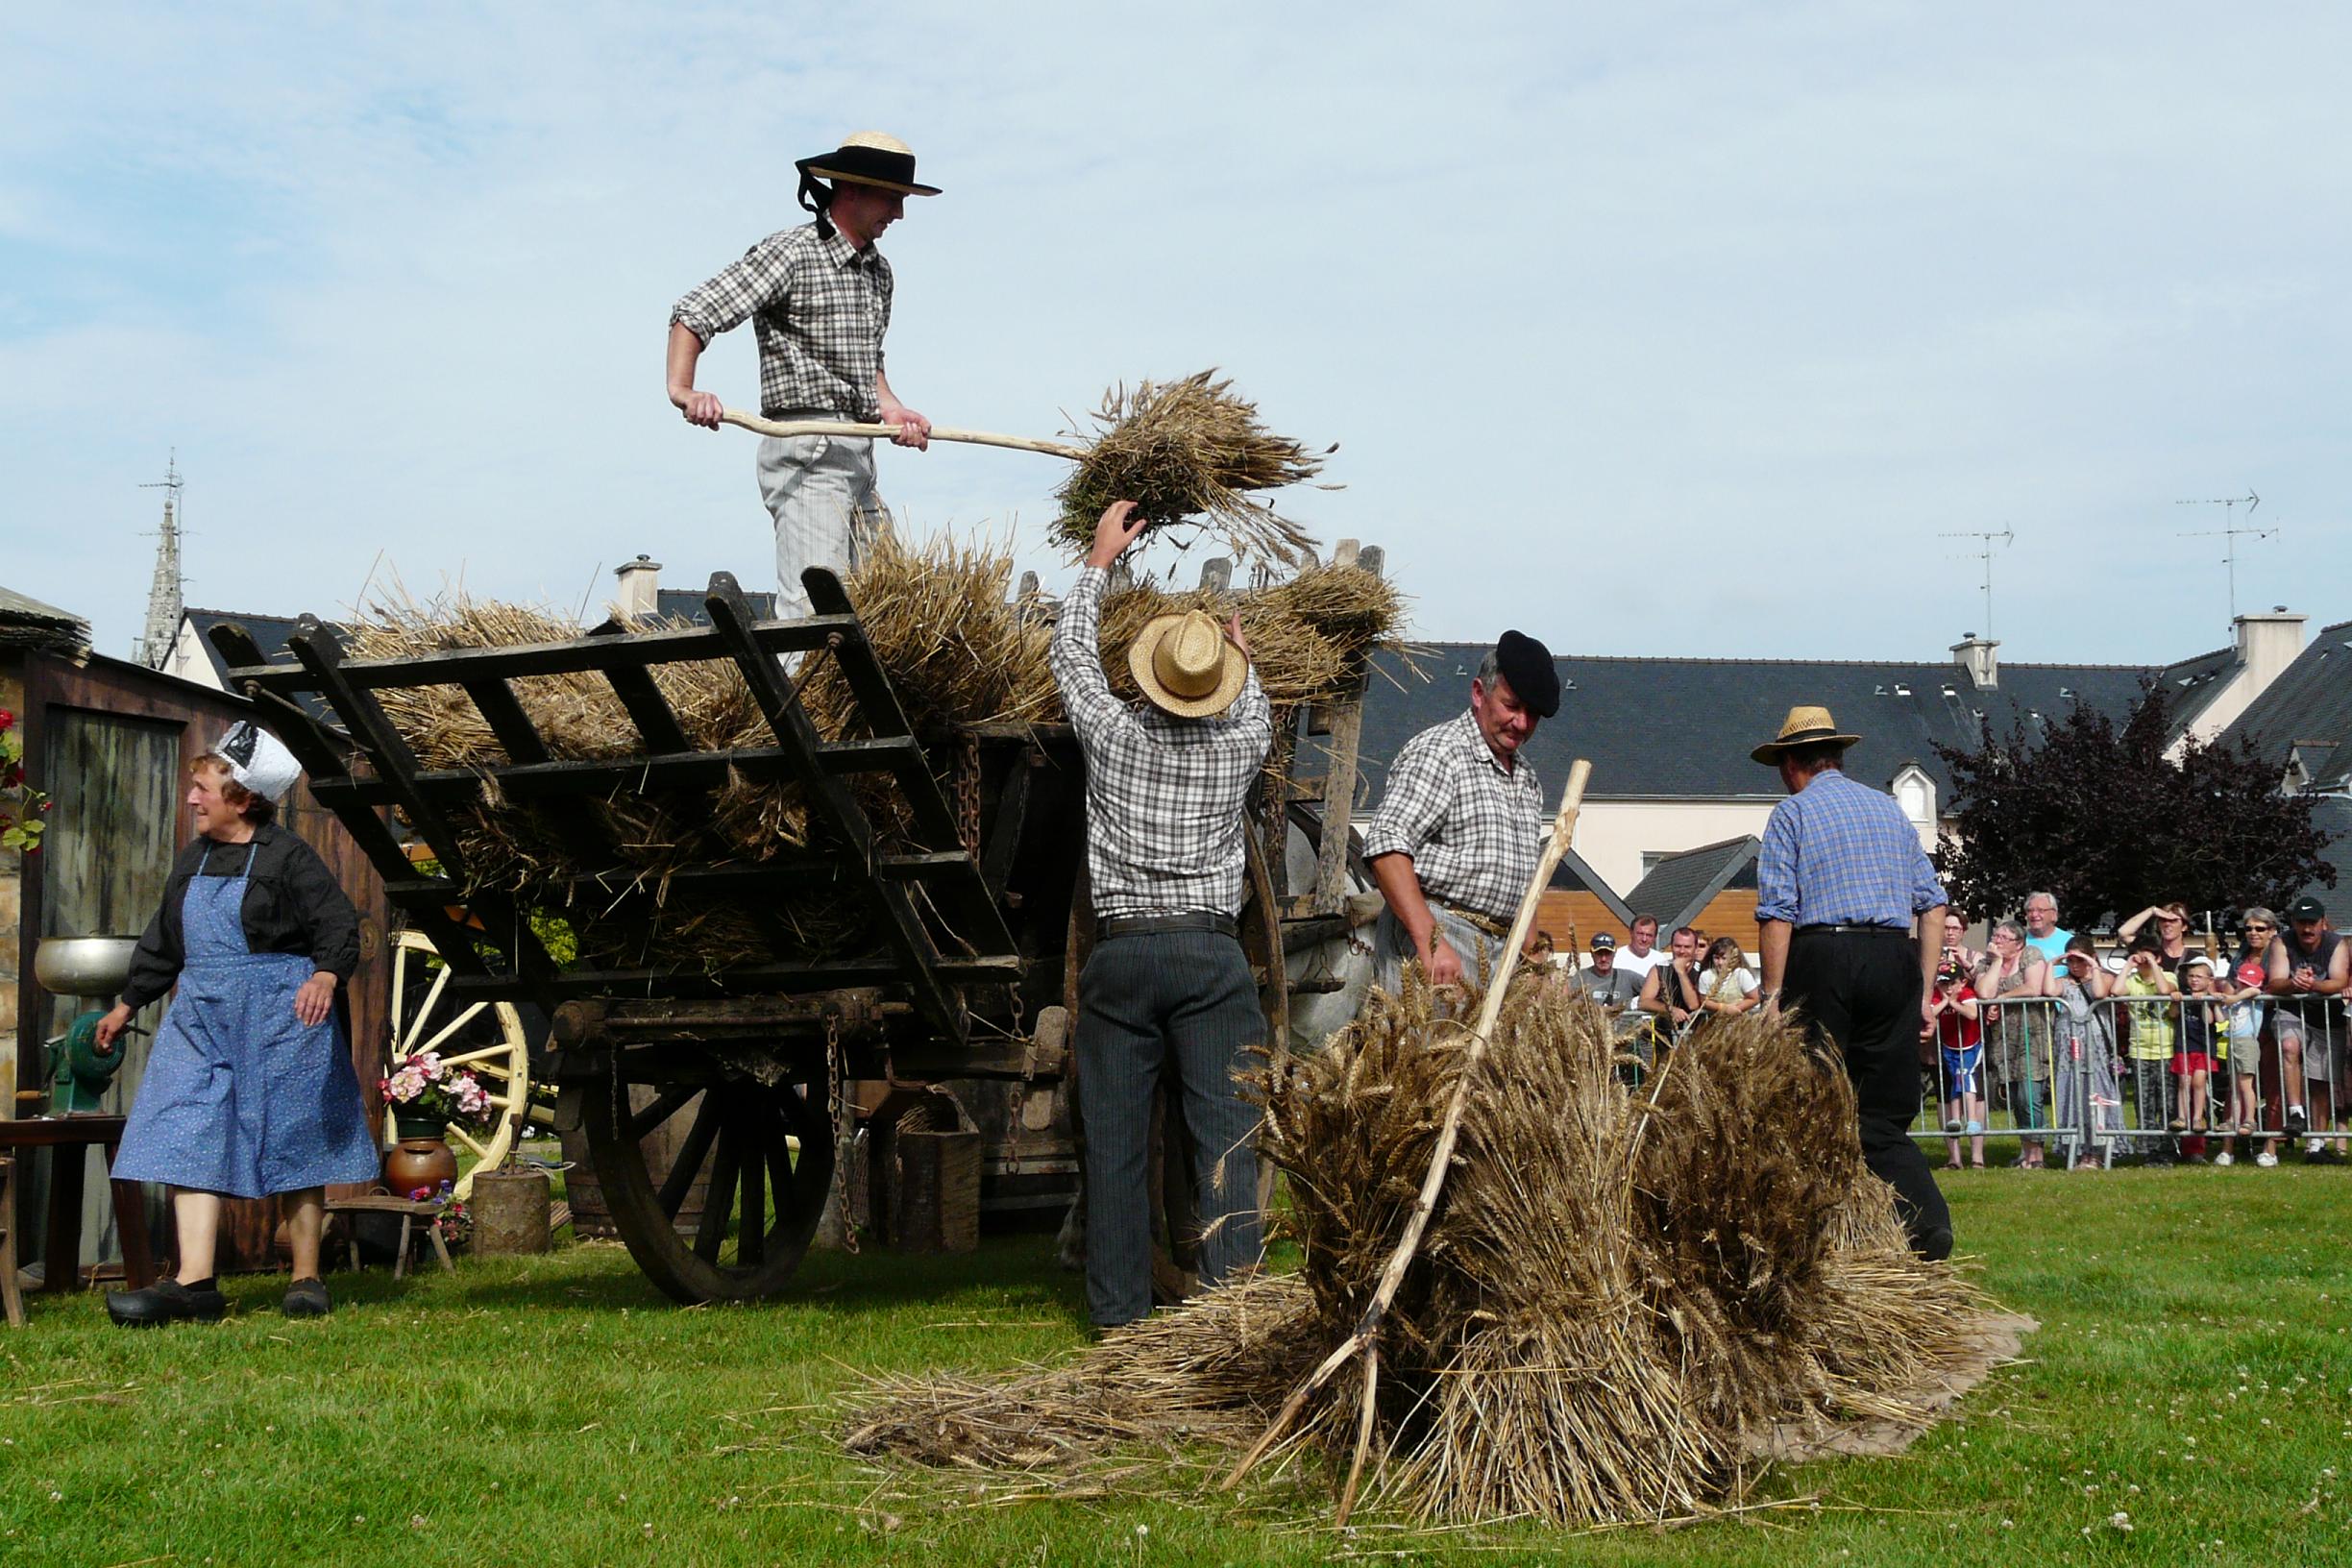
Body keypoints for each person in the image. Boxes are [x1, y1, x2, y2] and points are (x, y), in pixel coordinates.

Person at [1050, 500, 1274, 1330]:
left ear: (1145, 680)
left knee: (1112, 1148)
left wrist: (1099, 564)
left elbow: (1070, 657)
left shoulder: (1111, 735)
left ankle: (1117, 1323)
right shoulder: (1239, 745)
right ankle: (1231, 1320)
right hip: (1208, 959)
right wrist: (1246, 657)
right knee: (1226, 1136)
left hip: (1123, 955)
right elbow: (1257, 711)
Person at [96, 723, 381, 1325]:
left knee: (291, 1133)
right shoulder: (194, 858)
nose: (192, 799)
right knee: (184, 1125)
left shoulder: (287, 857)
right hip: (201, 1013)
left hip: (281, 1013)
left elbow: (337, 924)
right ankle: (194, 1284)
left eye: (202, 788)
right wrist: (127, 1003)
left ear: (244, 798)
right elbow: (165, 938)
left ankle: (306, 1277)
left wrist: (325, 976)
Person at [667, 132, 940, 621]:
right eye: (893, 199)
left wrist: (891, 407)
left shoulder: (879, 273)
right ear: (851, 190)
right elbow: (696, 311)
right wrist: (683, 390)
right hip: (807, 446)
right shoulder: (790, 254)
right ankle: (800, 696)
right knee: (815, 608)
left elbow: (867, 359)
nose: (899, 214)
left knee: (886, 603)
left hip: (859, 450)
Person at [1751, 705, 1953, 1260]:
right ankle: (1924, 1222)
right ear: (1837, 756)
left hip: (1824, 953)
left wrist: (1771, 997)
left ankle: (1822, 1240)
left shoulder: (1791, 814)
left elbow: (1777, 912)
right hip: (1893, 958)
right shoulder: (1890, 811)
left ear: (1793, 764)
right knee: (1883, 1115)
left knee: (1815, 1099)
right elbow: (1933, 905)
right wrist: (1924, 989)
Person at [1363, 631, 1559, 992]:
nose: (1521, 723)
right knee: (1426, 1049)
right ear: (1478, 693)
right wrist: (1431, 941)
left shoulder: (1528, 779)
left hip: (1503, 953)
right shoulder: (1441, 753)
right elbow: (1386, 846)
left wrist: (1535, 963)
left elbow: (1525, 886)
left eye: (1533, 714)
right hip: (1441, 932)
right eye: (1512, 706)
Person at [2266, 895, 2347, 1164]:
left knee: (2321, 1081)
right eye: (2302, 923)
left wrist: (2312, 985)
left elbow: (2338, 981)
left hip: (2327, 1017)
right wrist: (2293, 983)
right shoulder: (2281, 942)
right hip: (2291, 1010)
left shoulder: (2337, 944)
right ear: (2293, 923)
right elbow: (2274, 984)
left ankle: (2316, 1146)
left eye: (2312, 923)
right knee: (2289, 1046)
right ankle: (2296, 1112)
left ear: (2323, 923)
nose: (2307, 929)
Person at [1975, 919, 2053, 1168]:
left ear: (2018, 943)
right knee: (2016, 1097)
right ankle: (2025, 1151)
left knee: (2030, 1096)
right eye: (1996, 936)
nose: (1996, 941)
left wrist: (2001, 998)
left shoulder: (2031, 954)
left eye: (2003, 938)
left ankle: (2037, 1155)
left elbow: (2033, 987)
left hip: (2032, 1034)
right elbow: (1984, 993)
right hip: (2003, 1039)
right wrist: (1997, 962)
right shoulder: (1987, 962)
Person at [2046, 933, 2120, 1171]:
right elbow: (2049, 991)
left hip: (2096, 1049)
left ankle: (2097, 1151)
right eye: (2071, 961)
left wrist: (2095, 968)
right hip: (2069, 1049)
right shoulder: (2065, 982)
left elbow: (2099, 993)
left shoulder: (2104, 977)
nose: (2075, 966)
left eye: (2080, 961)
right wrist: (2051, 965)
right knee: (2073, 1095)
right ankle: (2077, 1149)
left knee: (2096, 1096)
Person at [2217, 908, 2278, 1165]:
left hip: (2271, 1024)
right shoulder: (2241, 954)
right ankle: (2228, 1147)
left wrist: (2240, 994)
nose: (2253, 933)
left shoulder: (2278, 953)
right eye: (2249, 928)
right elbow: (2231, 982)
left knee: (2273, 1086)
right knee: (2237, 1085)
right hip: (2241, 1029)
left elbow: (2273, 985)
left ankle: (2270, 1147)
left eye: (2260, 928)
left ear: (2272, 931)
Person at [2118, 932, 2180, 1165]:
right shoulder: (2132, 982)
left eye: (2149, 955)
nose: (2142, 960)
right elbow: (2115, 991)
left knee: (2166, 1103)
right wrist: (2128, 966)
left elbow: (2165, 990)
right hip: (2140, 1051)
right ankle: (2146, 1150)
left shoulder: (2167, 975)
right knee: (2144, 1103)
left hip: (2165, 1051)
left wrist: (2153, 963)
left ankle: (2167, 1150)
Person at [1926, 951, 1985, 1170]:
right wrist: (1945, 1001)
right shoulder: (1938, 996)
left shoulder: (1967, 993)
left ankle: (1972, 1120)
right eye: (1943, 984)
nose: (1948, 988)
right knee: (1955, 1082)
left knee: (1967, 1079)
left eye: (1952, 984)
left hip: (1970, 1046)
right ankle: (1955, 1119)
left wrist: (1955, 1003)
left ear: (1962, 982)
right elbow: (1931, 1013)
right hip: (1950, 1047)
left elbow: (1971, 1014)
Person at [2169, 955, 2219, 1161]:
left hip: (2203, 1047)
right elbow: (2172, 1014)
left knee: (2199, 1082)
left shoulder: (2209, 998)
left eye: (2199, 976)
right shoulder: (2183, 996)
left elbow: (2210, 1021)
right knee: (2184, 1081)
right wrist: (2175, 999)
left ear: (2209, 980)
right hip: (2184, 1045)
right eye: (2191, 976)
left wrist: (2206, 1002)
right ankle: (2182, 1117)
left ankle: (2198, 1118)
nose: (2194, 980)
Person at [1566, 931, 1644, 1018]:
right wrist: (1608, 1010)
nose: (1603, 959)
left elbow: (1654, 993)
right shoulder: (1581, 977)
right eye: (1599, 954)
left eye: (1608, 953)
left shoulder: (1629, 977)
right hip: (1592, 1031)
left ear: (1614, 953)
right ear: (1591, 953)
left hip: (1625, 1031)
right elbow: (1573, 1005)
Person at [1695, 936, 1760, 1022]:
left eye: (1724, 958)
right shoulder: (1706, 975)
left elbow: (1754, 998)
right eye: (1717, 958)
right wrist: (1723, 1008)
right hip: (1714, 1022)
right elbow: (1704, 1001)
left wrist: (1736, 1009)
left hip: (1740, 1021)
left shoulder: (1741, 974)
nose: (1720, 963)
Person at [1616, 914, 1667, 984]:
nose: (1644, 939)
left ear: (1655, 937)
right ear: (1631, 933)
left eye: (1649, 935)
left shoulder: (1660, 960)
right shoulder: (1617, 958)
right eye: (1640, 934)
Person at [2021, 892, 2071, 963]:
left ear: (2053, 914)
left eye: (2040, 910)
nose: (2034, 915)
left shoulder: (2069, 941)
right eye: (2030, 911)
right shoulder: (2017, 940)